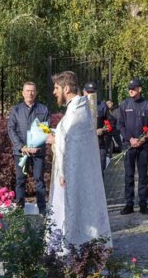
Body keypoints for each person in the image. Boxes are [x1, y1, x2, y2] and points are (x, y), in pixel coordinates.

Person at [45, 71, 111, 248]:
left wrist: (54, 139)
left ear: (66, 88)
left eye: (56, 88)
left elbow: (71, 144)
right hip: (72, 174)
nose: (54, 92)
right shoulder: (77, 109)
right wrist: (57, 136)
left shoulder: (77, 113)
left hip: (73, 177)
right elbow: (69, 138)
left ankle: (73, 249)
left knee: (75, 216)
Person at [6, 82, 50, 214]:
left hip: (38, 152)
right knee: (20, 181)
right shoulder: (16, 110)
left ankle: (42, 210)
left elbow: (45, 129)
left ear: (36, 93)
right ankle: (19, 210)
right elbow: (11, 129)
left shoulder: (43, 109)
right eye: (27, 90)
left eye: (32, 90)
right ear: (23, 93)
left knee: (39, 181)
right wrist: (21, 147)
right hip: (21, 153)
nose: (30, 93)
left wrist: (37, 146)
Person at [117, 78, 148, 215]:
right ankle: (129, 204)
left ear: (140, 89)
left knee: (143, 176)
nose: (131, 90)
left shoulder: (147, 105)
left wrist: (144, 138)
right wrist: (130, 138)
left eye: (133, 88)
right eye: (129, 88)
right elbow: (120, 125)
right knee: (128, 175)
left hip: (143, 146)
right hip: (129, 146)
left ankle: (143, 205)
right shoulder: (124, 105)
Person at [84, 82, 115, 171]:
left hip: (99, 145)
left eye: (92, 92)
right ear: (84, 92)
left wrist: (103, 130)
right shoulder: (80, 105)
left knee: (100, 170)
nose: (90, 94)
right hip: (84, 146)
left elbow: (111, 123)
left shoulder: (102, 106)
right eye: (88, 92)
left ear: (96, 92)